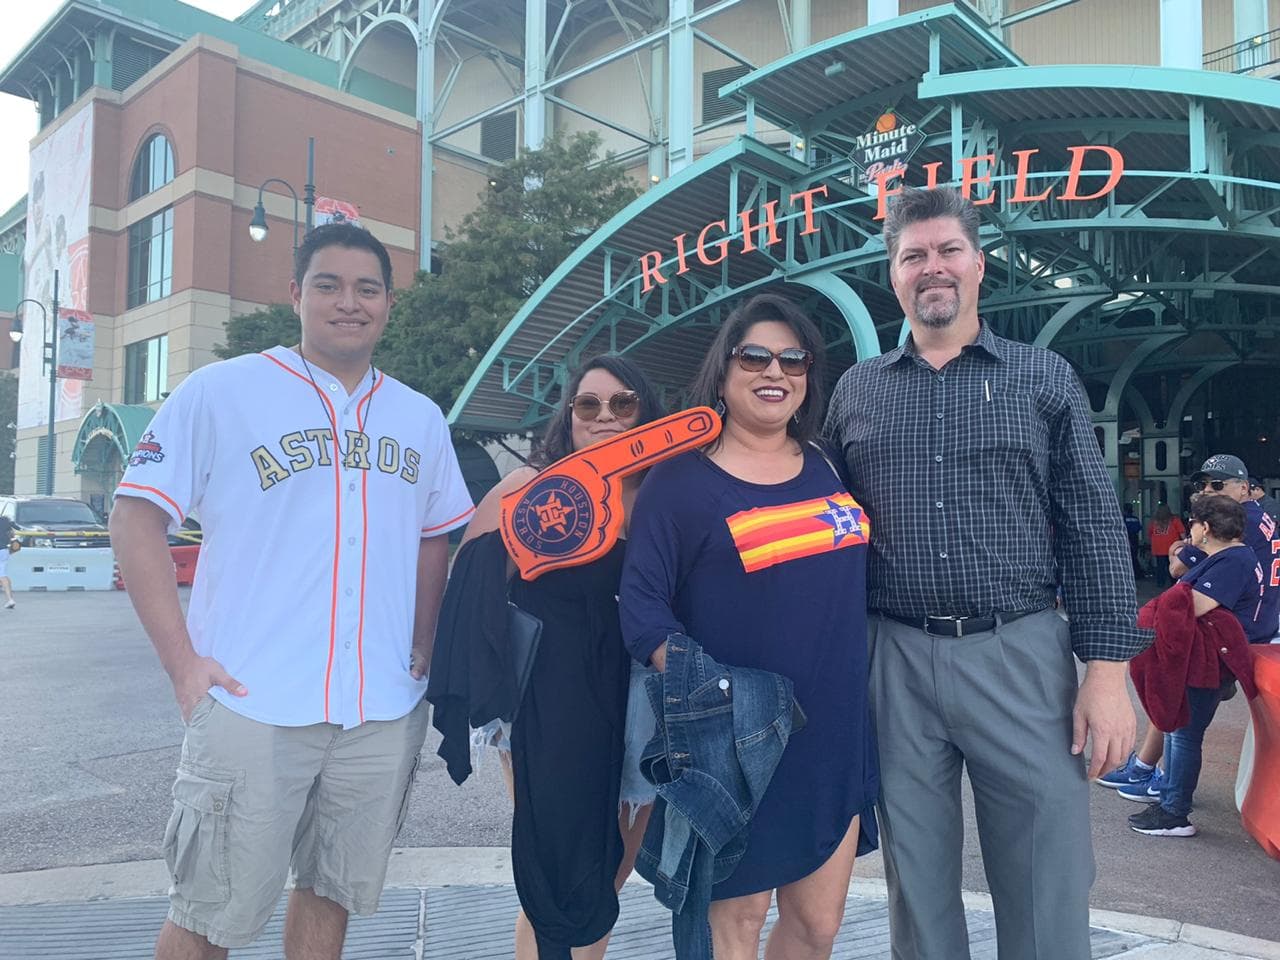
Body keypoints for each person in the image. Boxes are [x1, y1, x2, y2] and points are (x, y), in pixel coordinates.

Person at [110, 223, 474, 960]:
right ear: (295, 295)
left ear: (388, 304)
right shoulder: (223, 391)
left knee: (331, 892)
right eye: (329, 285)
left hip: (379, 706)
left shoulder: (419, 416)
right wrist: (184, 666)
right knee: (208, 914)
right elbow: (135, 517)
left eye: (367, 288)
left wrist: (425, 641)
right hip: (253, 698)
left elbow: (437, 534)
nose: (349, 302)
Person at [824, 187, 1146, 960]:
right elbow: (820, 528)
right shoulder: (856, 389)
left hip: (1021, 651)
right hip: (893, 657)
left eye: (947, 251)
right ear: (892, 275)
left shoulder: (1043, 377)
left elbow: (1094, 528)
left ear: (978, 264)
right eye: (913, 256)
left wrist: (1106, 675)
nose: (931, 268)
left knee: (1048, 876)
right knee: (918, 886)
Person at [621, 292, 879, 960]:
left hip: (833, 733)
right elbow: (641, 607)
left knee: (818, 924)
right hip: (733, 745)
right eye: (755, 356)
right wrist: (709, 698)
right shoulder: (679, 482)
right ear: (725, 370)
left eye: (794, 359)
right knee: (732, 926)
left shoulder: (827, 463)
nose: (776, 371)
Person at [453, 354, 665, 960]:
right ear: (569, 416)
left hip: (638, 704)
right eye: (588, 405)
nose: (604, 417)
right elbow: (468, 574)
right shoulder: (535, 488)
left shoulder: (661, 498)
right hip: (549, 700)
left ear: (644, 413)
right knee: (555, 861)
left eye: (622, 403)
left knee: (610, 872)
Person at [1103, 453, 1280, 800]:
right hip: (1254, 624)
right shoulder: (1260, 518)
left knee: (1182, 710)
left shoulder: (1235, 526)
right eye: (1203, 485)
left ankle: (1167, 789)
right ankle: (1147, 768)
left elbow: (1179, 568)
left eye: (1219, 484)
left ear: (1244, 488)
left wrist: (1180, 550)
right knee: (1176, 700)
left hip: (1233, 632)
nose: (1208, 491)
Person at [1129, 494, 1263, 837]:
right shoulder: (1222, 555)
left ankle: (1176, 812)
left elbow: (1195, 605)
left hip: (1208, 661)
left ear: (1205, 527)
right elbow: (1176, 565)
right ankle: (1171, 800)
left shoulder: (1235, 560)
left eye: (1193, 523)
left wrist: (1163, 603)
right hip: (1197, 657)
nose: (1191, 528)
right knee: (1177, 730)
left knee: (1185, 734)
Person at [1147, 504, 1185, 590]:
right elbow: (1182, 533)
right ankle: (1173, 583)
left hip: (1158, 548)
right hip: (1172, 547)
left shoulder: (1154, 521)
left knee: (1160, 566)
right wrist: (1185, 542)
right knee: (1172, 565)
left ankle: (1160, 583)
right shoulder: (1175, 520)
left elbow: (1150, 534)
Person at [1122, 504, 1145, 578]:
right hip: (1135, 537)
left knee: (1129, 557)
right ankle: (1137, 573)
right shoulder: (1135, 518)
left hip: (1126, 537)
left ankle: (1132, 573)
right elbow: (1139, 528)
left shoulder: (1123, 518)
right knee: (1134, 555)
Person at [0, 513, 16, 609]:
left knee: (2, 575)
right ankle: (10, 599)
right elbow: (14, 533)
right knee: (3, 574)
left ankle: (10, 600)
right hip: (4, 550)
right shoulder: (5, 520)